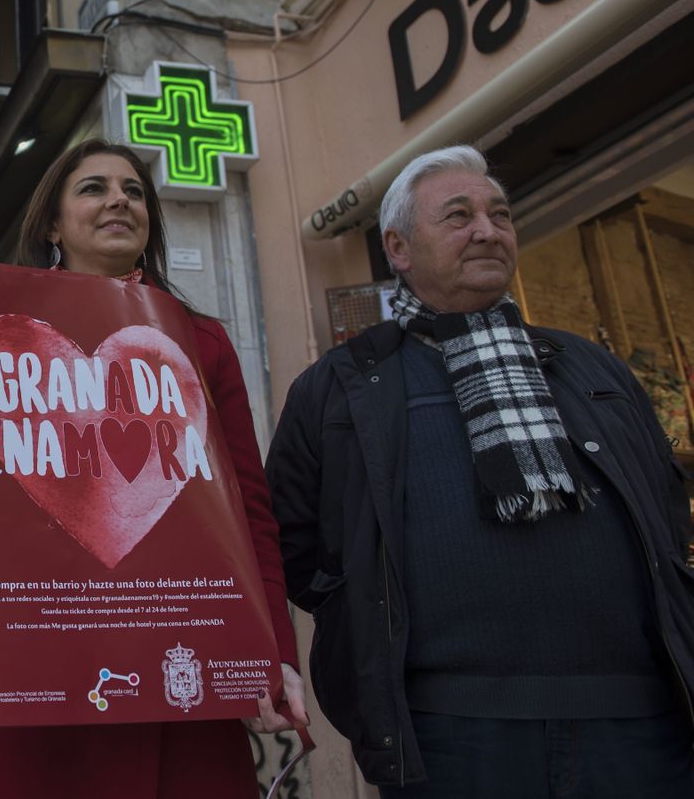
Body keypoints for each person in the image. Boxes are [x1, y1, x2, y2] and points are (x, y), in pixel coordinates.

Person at [265, 145, 694, 797]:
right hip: (449, 736)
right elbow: (292, 545)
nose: (488, 230)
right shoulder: (341, 388)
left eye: (500, 214)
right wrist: (363, 621)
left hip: (638, 728)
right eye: (459, 216)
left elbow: (662, 511)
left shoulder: (592, 369)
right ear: (399, 249)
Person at [0, 139, 306, 798]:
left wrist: (273, 657)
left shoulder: (199, 341)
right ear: (50, 224)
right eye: (93, 188)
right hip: (28, 678)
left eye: (132, 190)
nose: (119, 199)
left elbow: (250, 517)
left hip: (176, 677)